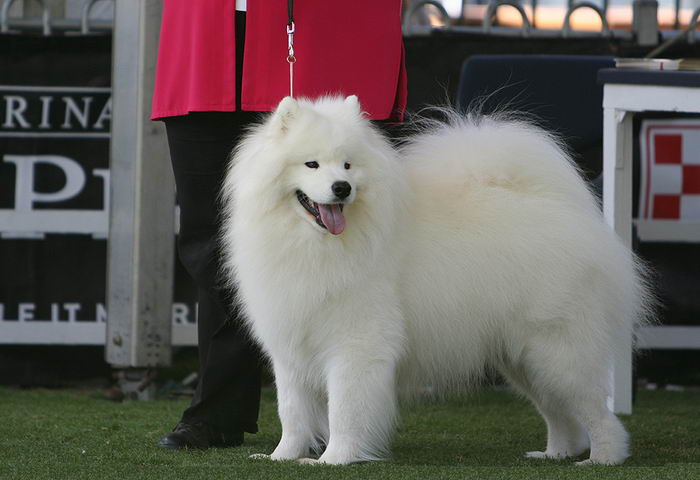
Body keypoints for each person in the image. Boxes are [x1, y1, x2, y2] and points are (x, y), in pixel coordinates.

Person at [151, 0, 407, 450]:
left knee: (351, 244)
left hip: (329, 30)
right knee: (212, 243)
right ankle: (220, 410)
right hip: (208, 32)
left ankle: (343, 420)